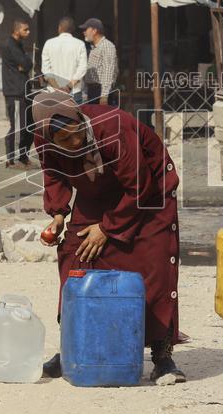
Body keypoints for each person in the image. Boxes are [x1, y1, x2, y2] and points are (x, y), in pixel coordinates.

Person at [33, 91, 185, 383]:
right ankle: (72, 349)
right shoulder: (44, 138)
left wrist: (107, 228)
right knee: (76, 259)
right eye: (63, 141)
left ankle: (162, 355)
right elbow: (53, 174)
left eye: (75, 133)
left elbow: (141, 186)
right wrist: (58, 214)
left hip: (148, 191)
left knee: (152, 265)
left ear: (80, 117)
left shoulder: (113, 126)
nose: (74, 143)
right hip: (97, 191)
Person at [1, 18, 33, 166]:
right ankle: (10, 158)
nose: (28, 32)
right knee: (17, 126)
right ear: (16, 30)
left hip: (22, 90)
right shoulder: (10, 45)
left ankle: (23, 156)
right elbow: (26, 63)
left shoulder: (18, 45)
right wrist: (25, 64)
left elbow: (25, 64)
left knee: (27, 125)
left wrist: (25, 65)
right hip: (14, 91)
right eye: (25, 29)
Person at [40, 17, 88, 102]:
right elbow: (82, 69)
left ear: (59, 28)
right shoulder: (80, 44)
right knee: (73, 115)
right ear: (73, 29)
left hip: (53, 92)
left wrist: (58, 89)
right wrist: (68, 86)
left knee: (54, 115)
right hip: (73, 92)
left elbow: (46, 70)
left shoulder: (49, 43)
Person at [81, 18, 119, 107]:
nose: (84, 32)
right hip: (93, 92)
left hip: (101, 92)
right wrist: (86, 93)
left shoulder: (107, 46)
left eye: (86, 29)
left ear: (94, 31)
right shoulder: (93, 48)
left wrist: (104, 96)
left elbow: (108, 72)